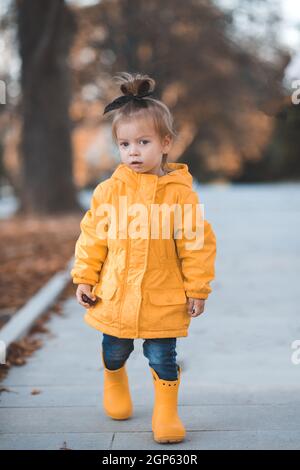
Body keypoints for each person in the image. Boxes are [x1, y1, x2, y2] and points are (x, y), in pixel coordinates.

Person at [70, 71, 217, 444]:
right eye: (124, 144)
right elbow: (93, 236)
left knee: (162, 357)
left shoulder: (180, 195)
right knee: (114, 348)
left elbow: (196, 242)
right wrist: (84, 277)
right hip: (116, 294)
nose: (133, 151)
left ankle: (165, 414)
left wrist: (197, 287)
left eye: (143, 141)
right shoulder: (109, 192)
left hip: (162, 296)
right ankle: (114, 378)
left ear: (165, 144)